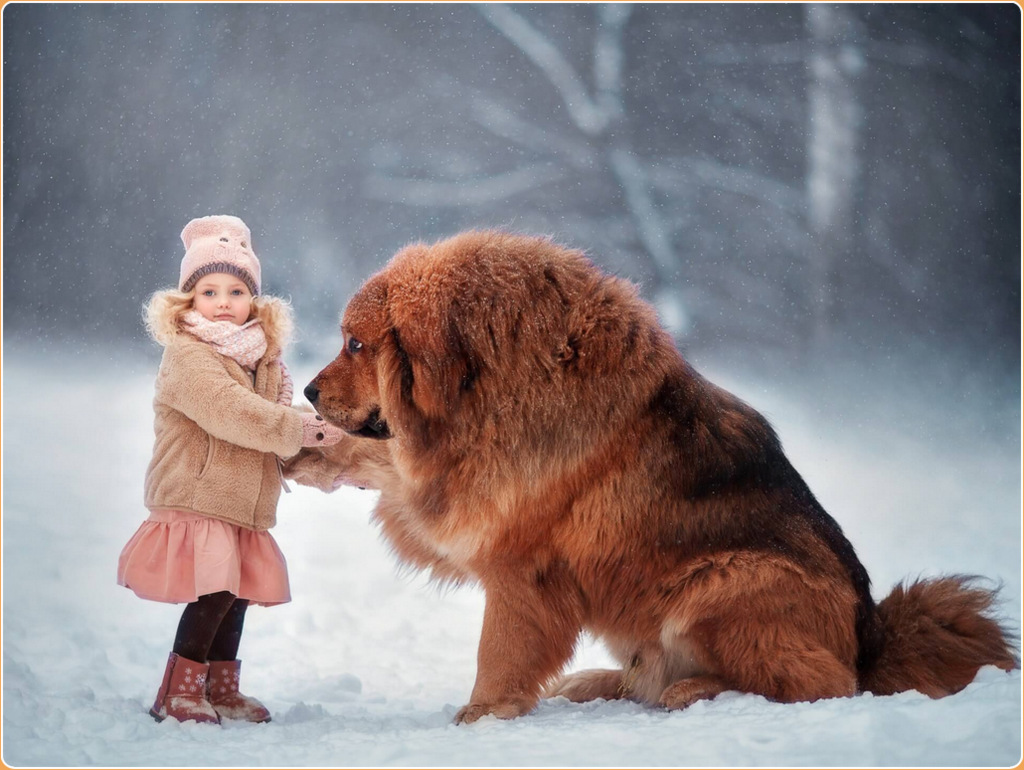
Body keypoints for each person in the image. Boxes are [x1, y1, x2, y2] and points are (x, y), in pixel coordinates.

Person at [117, 215, 343, 725]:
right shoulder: (188, 357)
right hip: (198, 493)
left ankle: (220, 688)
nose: (223, 302)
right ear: (187, 301)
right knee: (213, 592)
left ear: (254, 301)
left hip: (244, 501)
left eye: (236, 290)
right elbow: (233, 414)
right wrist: (307, 430)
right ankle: (178, 691)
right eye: (208, 290)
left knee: (235, 596)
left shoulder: (264, 364)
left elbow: (278, 439)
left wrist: (340, 458)